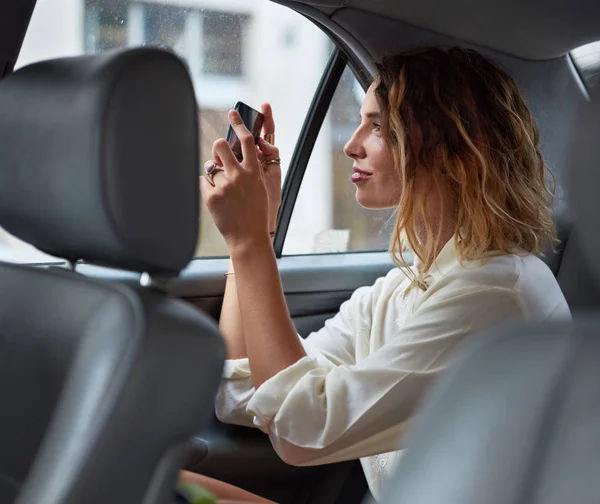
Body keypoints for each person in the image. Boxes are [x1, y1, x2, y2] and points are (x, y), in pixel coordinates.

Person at [181, 47, 571, 503]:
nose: (352, 143)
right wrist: (252, 237)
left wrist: (249, 242)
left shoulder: (497, 297)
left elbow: (300, 430)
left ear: (451, 149)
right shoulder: (404, 288)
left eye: (379, 126)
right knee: (158, 481)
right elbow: (245, 394)